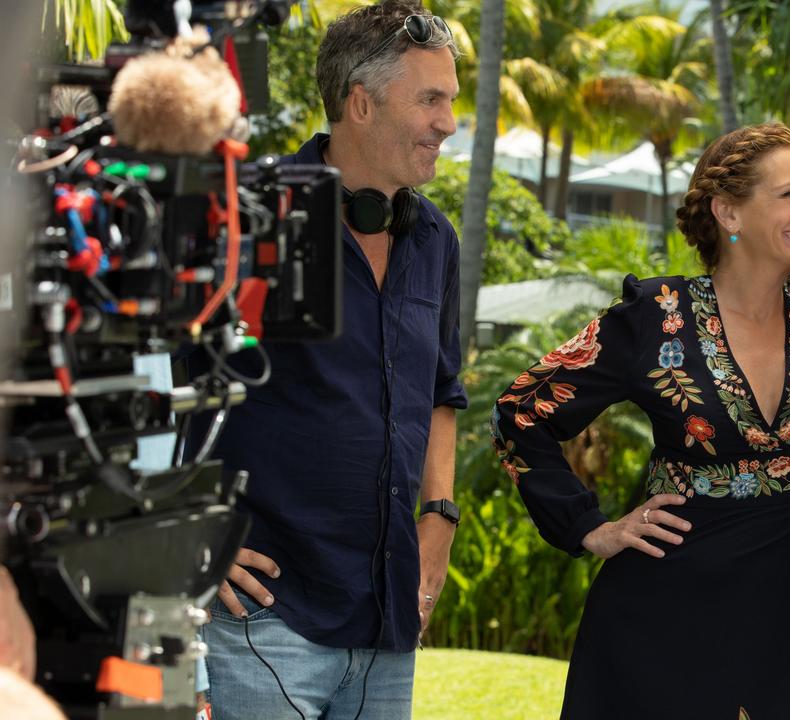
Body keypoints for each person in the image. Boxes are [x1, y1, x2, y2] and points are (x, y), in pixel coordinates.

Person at [490, 122, 790, 719]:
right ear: (728, 212)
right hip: (662, 615)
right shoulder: (654, 318)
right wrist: (587, 526)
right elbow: (520, 411)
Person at [193, 2, 467, 718]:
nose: (449, 122)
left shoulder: (435, 238)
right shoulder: (250, 217)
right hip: (265, 618)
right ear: (360, 104)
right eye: (430, 100)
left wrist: (437, 518)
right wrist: (195, 532)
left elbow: (444, 390)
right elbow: (163, 381)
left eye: (452, 101)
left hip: (388, 621)